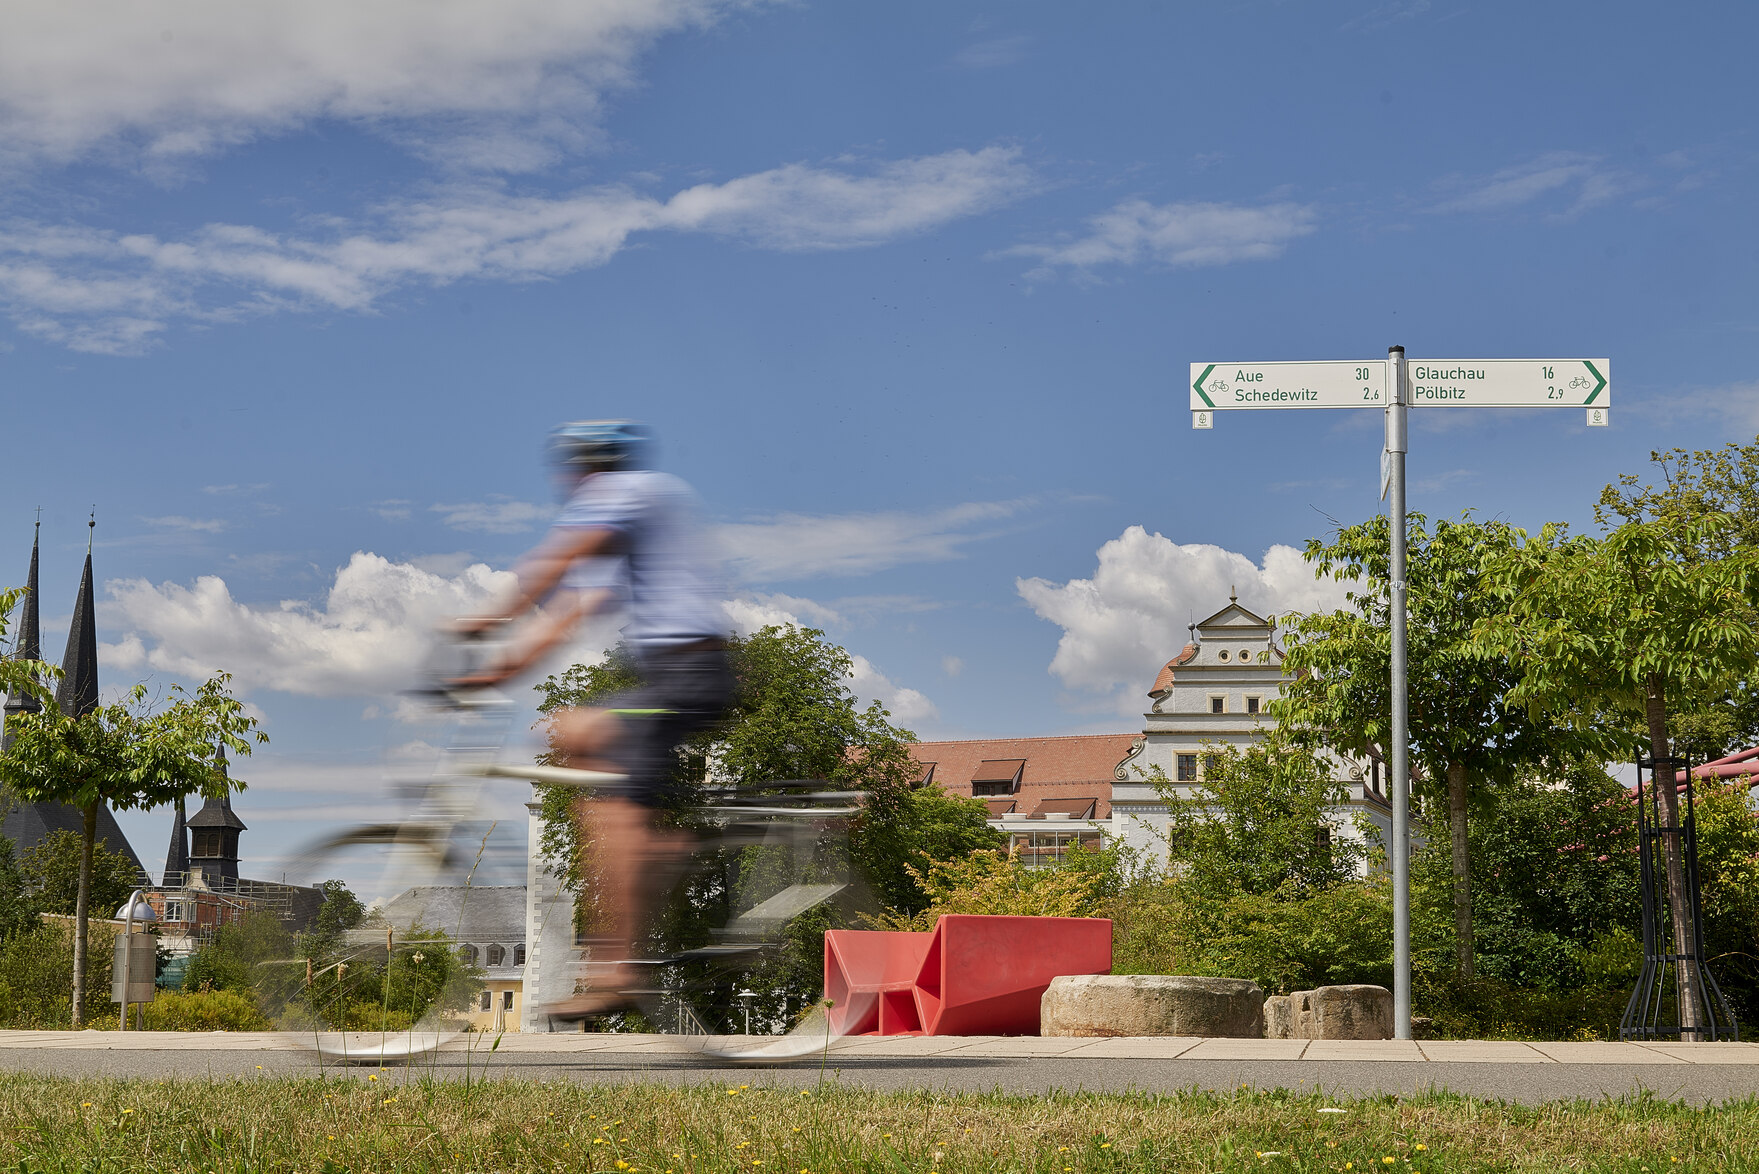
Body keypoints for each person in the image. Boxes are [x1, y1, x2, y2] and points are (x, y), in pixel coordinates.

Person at [452, 420, 732, 1017]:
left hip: (687, 673)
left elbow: (553, 563)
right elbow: (573, 609)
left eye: (569, 474)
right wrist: (500, 671)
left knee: (605, 775)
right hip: (682, 674)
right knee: (582, 741)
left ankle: (621, 969)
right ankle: (663, 852)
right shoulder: (641, 512)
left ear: (586, 468)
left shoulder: (623, 492)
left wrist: (485, 622)